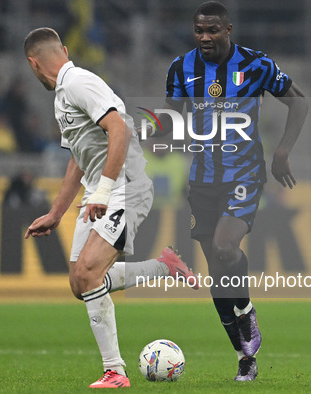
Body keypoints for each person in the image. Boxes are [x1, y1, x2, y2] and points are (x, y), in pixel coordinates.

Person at [22, 27, 198, 389]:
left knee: (89, 274)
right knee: (79, 283)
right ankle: (164, 266)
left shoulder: (78, 82)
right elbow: (79, 157)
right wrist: (56, 213)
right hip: (100, 190)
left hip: (124, 188)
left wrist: (103, 191)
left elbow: (120, 130)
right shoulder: (62, 96)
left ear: (32, 63)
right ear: (64, 49)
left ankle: (115, 370)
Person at [159, 2, 308, 382]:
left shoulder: (256, 65)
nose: (205, 37)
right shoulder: (181, 68)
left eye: (212, 30)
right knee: (219, 276)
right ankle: (245, 356)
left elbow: (298, 101)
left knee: (226, 250)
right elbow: (171, 120)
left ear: (228, 29)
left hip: (244, 173)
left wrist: (283, 150)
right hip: (202, 180)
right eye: (199, 31)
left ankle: (246, 311)